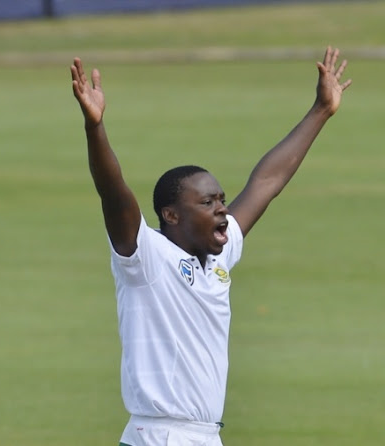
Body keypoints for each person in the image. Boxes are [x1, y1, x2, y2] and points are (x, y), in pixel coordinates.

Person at [70, 46, 351, 446]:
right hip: (160, 436)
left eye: (220, 199)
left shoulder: (218, 258)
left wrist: (321, 110)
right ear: (171, 216)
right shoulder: (146, 259)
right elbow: (114, 194)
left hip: (203, 437)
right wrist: (95, 128)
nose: (222, 210)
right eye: (207, 203)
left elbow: (266, 183)